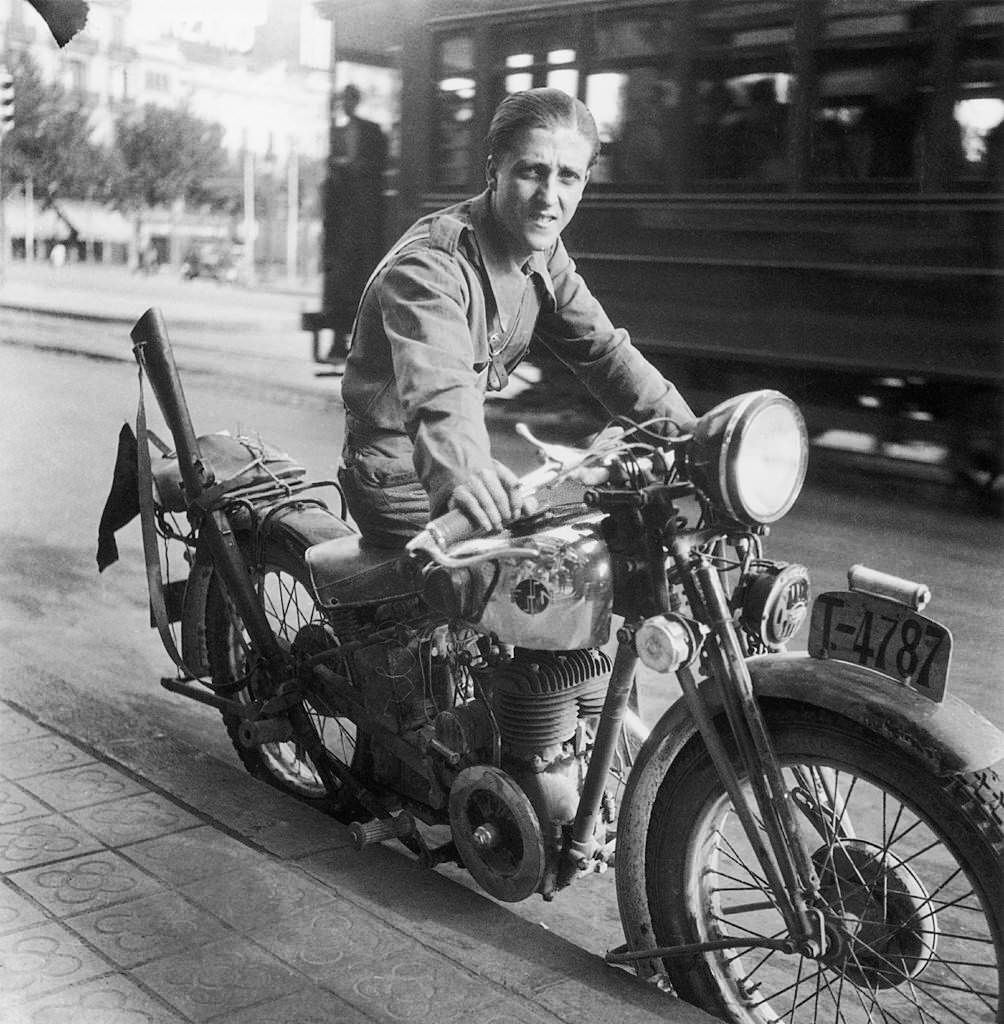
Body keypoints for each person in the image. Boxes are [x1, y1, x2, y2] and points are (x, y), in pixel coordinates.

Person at [338, 87, 696, 549]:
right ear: (494, 171)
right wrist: (464, 471)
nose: (549, 197)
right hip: (400, 475)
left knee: (603, 531)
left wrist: (699, 442)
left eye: (568, 176)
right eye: (532, 171)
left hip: (463, 459)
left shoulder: (543, 252)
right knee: (521, 586)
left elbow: (604, 351)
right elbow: (438, 388)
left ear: (585, 182)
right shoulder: (430, 268)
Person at [321, 84, 389, 360]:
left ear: (356, 102)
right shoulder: (335, 133)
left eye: (350, 100)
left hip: (366, 213)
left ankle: (360, 338)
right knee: (342, 276)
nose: (346, 104)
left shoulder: (372, 131)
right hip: (343, 214)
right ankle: (341, 338)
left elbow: (380, 165)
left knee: (363, 273)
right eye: (343, 100)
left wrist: (360, 167)